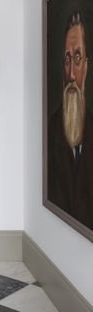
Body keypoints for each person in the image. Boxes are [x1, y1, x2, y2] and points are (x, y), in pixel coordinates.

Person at [48, 11, 93, 229]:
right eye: (67, 59)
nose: (72, 75)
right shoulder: (49, 131)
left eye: (77, 58)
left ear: (86, 66)